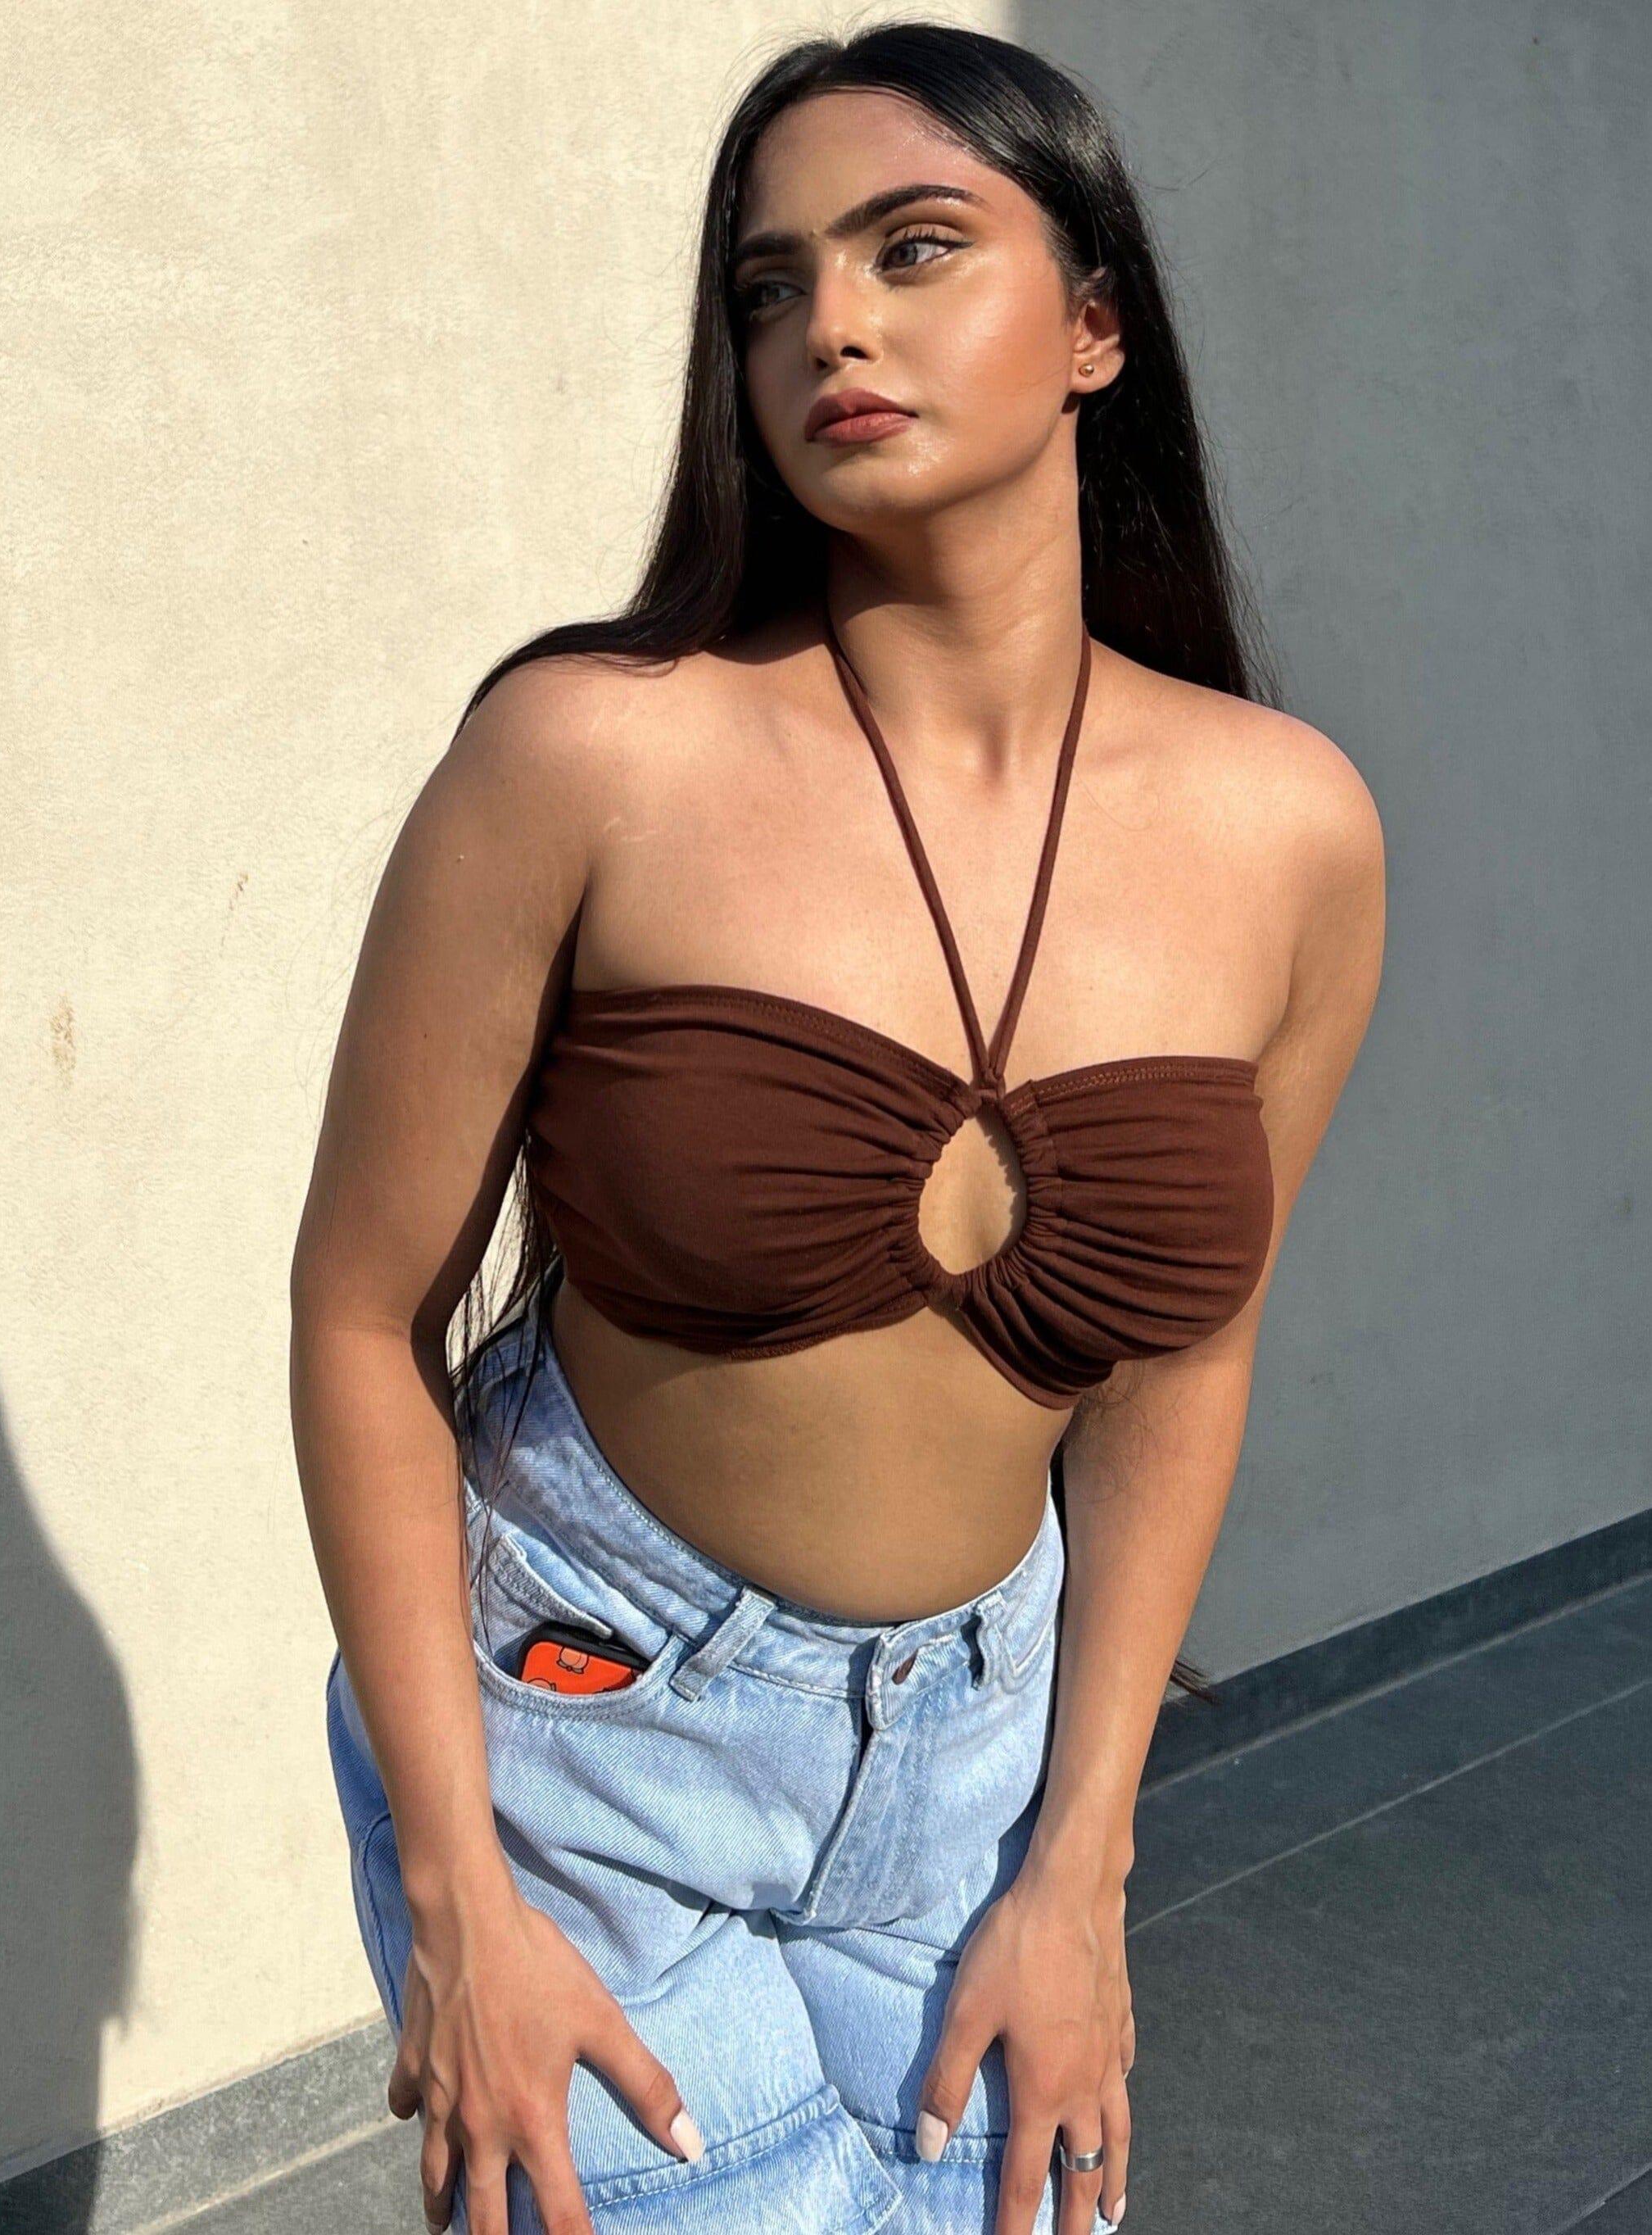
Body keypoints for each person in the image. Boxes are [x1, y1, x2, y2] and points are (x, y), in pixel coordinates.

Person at [292, 22, 1384, 2235]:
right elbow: (356, 1320)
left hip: (987, 1772)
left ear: (1095, 327)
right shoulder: (592, 755)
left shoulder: (1289, 829)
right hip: (592, 1739)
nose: (832, 327)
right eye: (770, 285)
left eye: (914, 248)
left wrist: (1084, 1867)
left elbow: (1183, 1359)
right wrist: (463, 1904)